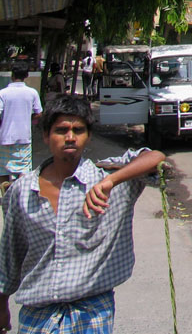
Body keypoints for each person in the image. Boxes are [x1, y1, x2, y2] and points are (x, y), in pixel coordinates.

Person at [0, 95, 165, 333]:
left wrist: (111, 181)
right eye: (61, 130)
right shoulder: (22, 191)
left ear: (88, 136)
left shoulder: (110, 180)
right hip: (38, 315)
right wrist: (2, 305)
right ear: (46, 136)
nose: (70, 137)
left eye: (78, 130)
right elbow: (9, 254)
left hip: (93, 312)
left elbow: (155, 158)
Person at [0, 64, 43, 190]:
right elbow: (38, 113)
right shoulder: (32, 93)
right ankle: (19, 194)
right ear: (26, 76)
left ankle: (5, 195)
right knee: (23, 171)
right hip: (24, 138)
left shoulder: (3, 93)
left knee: (3, 170)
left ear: (12, 75)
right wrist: (28, 120)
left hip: (5, 138)